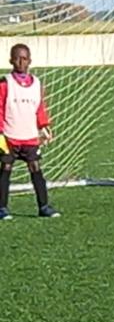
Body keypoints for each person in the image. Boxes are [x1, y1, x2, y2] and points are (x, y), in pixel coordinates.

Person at [0, 44, 59, 220]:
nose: (21, 62)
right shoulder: (5, 83)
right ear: (11, 60)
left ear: (30, 61)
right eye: (17, 58)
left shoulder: (37, 84)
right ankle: (2, 208)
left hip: (29, 136)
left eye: (24, 58)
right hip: (9, 136)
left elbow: (39, 107)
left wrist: (43, 126)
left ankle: (44, 206)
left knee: (35, 168)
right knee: (5, 168)